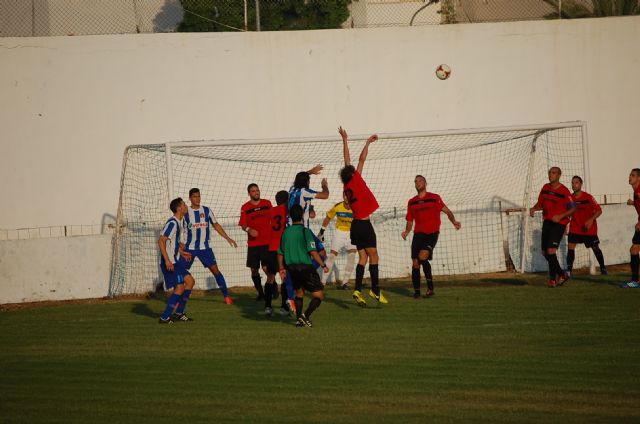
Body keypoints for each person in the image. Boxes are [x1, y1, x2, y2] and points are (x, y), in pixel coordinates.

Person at [338, 126, 388, 306]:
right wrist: (367, 142)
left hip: (355, 226)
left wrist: (345, 140)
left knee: (363, 258)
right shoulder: (356, 179)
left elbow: (347, 161)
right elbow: (359, 159)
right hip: (364, 225)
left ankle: (358, 290)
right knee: (374, 257)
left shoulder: (346, 187)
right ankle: (375, 290)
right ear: (352, 174)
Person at [401, 175, 461, 299]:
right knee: (415, 263)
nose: (418, 183)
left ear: (425, 183)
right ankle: (417, 292)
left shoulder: (434, 198)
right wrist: (407, 231)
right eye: (416, 181)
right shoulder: (412, 201)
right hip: (418, 234)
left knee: (422, 256)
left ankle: (430, 287)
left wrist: (454, 221)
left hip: (432, 233)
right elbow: (410, 220)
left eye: (420, 181)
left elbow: (448, 211)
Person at [277, 204, 329, 327]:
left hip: (291, 268)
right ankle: (305, 316)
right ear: (301, 216)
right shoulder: (305, 231)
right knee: (319, 295)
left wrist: (281, 268)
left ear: (290, 216)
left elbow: (280, 252)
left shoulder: (286, 232)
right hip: (305, 267)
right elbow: (313, 251)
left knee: (299, 293)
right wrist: (323, 265)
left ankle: (298, 319)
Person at [183, 188, 237, 305]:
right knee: (180, 272)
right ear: (190, 198)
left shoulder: (206, 210)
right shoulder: (185, 212)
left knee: (215, 271)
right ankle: (179, 299)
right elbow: (180, 228)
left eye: (199, 196)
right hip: (189, 248)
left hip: (205, 248)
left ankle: (226, 296)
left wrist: (227, 238)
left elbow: (216, 225)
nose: (197, 198)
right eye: (194, 197)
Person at [529, 167, 576, 288]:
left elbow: (573, 208)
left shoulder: (565, 191)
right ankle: (561, 274)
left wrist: (560, 216)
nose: (551, 175)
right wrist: (534, 208)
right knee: (545, 253)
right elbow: (540, 204)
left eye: (553, 173)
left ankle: (552, 279)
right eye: (549, 173)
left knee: (551, 251)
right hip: (547, 222)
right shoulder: (545, 187)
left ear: (559, 175)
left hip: (559, 224)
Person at [158, 197, 195, 324]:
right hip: (169, 262)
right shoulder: (173, 223)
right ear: (179, 208)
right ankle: (164, 317)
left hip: (175, 261)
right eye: (184, 204)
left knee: (190, 281)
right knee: (179, 288)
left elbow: (170, 243)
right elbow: (161, 241)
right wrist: (167, 260)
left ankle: (179, 313)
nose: (186, 206)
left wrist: (181, 252)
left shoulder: (179, 222)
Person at [239, 183, 276, 311]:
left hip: (267, 242)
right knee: (254, 270)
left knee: (266, 268)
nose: (256, 192)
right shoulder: (245, 207)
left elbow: (275, 218)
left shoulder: (267, 203)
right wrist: (249, 230)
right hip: (254, 244)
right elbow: (243, 224)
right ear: (249, 193)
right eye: (253, 191)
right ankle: (261, 293)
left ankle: (272, 288)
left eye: (257, 190)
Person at [566, 176, 607, 275]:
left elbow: (599, 210)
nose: (574, 185)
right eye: (572, 183)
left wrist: (591, 220)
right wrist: (566, 224)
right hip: (575, 227)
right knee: (570, 247)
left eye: (576, 182)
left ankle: (602, 268)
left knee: (595, 248)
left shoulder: (588, 197)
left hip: (589, 229)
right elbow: (567, 213)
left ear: (581, 184)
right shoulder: (569, 198)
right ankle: (568, 271)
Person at [318, 193, 356, 290]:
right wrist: (322, 231)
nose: (346, 197)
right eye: (345, 195)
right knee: (332, 256)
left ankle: (345, 283)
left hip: (352, 233)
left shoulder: (356, 207)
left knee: (352, 256)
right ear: (343, 196)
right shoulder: (337, 207)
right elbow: (328, 217)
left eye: (348, 196)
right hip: (340, 232)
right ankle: (322, 282)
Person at [268, 190, 297, 316]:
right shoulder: (287, 211)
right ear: (286, 201)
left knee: (270, 278)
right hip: (283, 248)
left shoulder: (271, 211)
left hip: (270, 247)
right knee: (285, 278)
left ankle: (268, 307)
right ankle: (284, 307)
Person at [620, 168, 640, 288]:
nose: (629, 177)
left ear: (638, 178)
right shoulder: (636, 191)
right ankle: (635, 280)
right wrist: (633, 203)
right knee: (634, 249)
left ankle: (635, 280)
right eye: (629, 175)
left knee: (634, 249)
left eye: (632, 175)